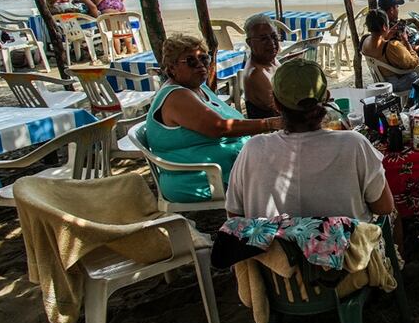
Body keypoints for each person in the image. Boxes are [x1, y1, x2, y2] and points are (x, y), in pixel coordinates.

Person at [226, 58, 394, 220]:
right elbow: (384, 207)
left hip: (274, 241)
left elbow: (234, 214)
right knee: (393, 214)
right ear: (327, 97)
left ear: (276, 104)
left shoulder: (253, 148)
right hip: (346, 240)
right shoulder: (354, 144)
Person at [145, 34, 282, 203]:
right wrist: (270, 124)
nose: (200, 65)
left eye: (204, 59)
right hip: (201, 179)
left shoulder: (198, 87)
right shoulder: (177, 96)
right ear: (172, 67)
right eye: (191, 61)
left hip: (225, 169)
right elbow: (219, 128)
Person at [59, 0, 132, 54]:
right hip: (117, 2)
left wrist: (97, 19)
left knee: (111, 33)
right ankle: (129, 51)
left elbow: (93, 7)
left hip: (107, 6)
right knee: (123, 29)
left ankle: (117, 54)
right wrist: (80, 1)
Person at [360, 9, 419, 92]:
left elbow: (377, 40)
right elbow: (414, 63)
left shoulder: (365, 40)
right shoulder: (391, 46)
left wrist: (387, 34)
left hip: (380, 81)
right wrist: (406, 41)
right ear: (384, 26)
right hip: (396, 84)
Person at [242, 14, 281, 119]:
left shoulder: (270, 59)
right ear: (249, 43)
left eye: (274, 36)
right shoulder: (257, 73)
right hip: (273, 127)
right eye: (263, 39)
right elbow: (281, 112)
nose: (271, 42)